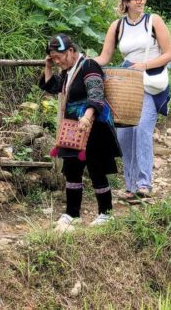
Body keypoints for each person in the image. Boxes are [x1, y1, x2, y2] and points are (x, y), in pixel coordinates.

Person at [95, 0, 171, 199]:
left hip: (149, 81)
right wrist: (82, 62)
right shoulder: (117, 26)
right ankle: (130, 187)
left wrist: (144, 65)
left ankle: (144, 184)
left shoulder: (153, 21)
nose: (141, 1)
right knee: (124, 135)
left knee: (142, 131)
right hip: (126, 85)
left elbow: (169, 54)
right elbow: (104, 57)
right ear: (126, 2)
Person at [40, 34, 121, 233]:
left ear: (71, 50)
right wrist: (49, 67)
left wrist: (87, 116)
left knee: (96, 168)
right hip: (73, 129)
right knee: (72, 169)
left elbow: (96, 94)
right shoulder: (68, 72)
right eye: (53, 57)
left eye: (58, 56)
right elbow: (52, 86)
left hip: (92, 126)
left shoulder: (89, 66)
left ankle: (106, 213)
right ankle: (72, 213)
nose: (57, 60)